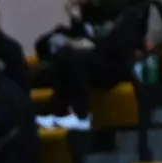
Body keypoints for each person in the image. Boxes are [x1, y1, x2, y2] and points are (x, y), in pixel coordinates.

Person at [35, 0, 144, 131]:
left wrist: (90, 44)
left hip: (116, 65)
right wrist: (76, 20)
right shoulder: (90, 10)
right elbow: (83, 37)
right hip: (94, 61)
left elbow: (117, 46)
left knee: (74, 59)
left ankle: (81, 116)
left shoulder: (123, 11)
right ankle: (58, 113)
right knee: (62, 57)